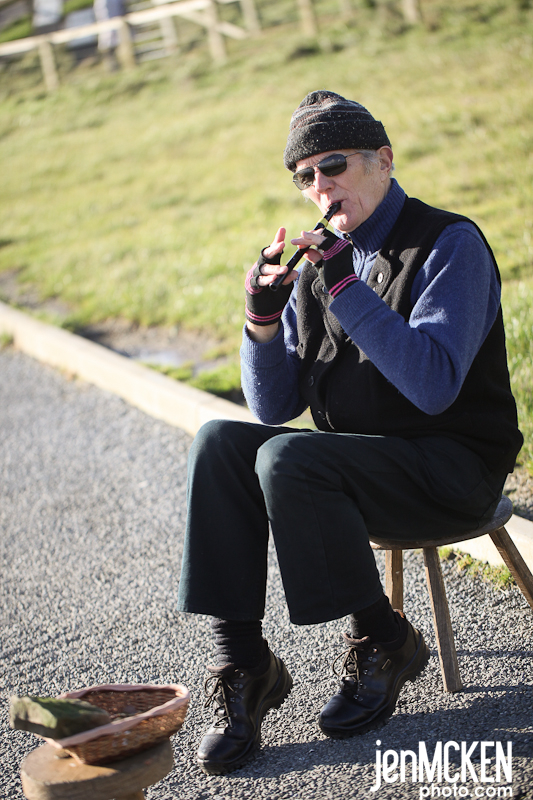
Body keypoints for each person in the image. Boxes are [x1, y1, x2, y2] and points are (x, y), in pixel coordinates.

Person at [177, 90, 523, 775]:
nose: (319, 185)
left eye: (332, 165)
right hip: (362, 470)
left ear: (383, 160)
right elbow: (273, 407)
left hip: (451, 470)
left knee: (289, 460)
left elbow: (432, 385)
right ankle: (244, 664)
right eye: (303, 176)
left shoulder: (449, 243)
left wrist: (344, 287)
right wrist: (261, 321)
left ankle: (381, 638)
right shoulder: (322, 269)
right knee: (220, 442)